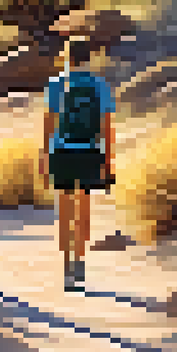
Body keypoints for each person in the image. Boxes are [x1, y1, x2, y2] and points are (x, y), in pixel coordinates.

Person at [41, 34, 116, 292]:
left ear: (68, 58)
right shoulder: (100, 86)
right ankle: (80, 263)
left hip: (62, 153)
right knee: (83, 209)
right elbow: (107, 129)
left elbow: (48, 128)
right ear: (89, 58)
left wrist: (45, 159)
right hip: (90, 152)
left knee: (64, 210)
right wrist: (108, 162)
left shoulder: (55, 85)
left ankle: (65, 267)